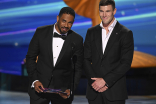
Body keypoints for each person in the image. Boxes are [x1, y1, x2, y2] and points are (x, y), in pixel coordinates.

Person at [26, 7, 83, 104]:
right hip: (40, 89)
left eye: (70, 23)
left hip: (62, 92)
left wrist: (71, 89)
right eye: (64, 21)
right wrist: (35, 80)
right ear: (57, 18)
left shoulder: (77, 39)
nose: (66, 25)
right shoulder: (41, 32)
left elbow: (77, 68)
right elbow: (30, 58)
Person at [83, 0, 134, 104]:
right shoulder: (91, 32)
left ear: (114, 11)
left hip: (114, 92)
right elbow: (85, 59)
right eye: (101, 11)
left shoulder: (125, 33)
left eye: (108, 11)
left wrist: (105, 81)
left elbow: (125, 63)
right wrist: (95, 83)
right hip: (94, 91)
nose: (104, 15)